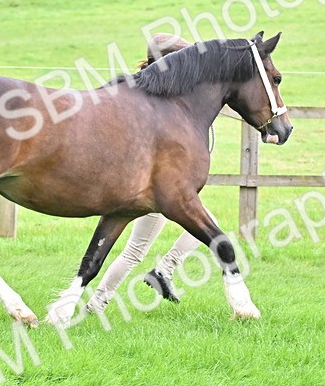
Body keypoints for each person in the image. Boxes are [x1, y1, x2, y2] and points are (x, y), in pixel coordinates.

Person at [86, 33, 224, 314]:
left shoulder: (158, 92)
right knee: (207, 227)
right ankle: (164, 269)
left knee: (135, 251)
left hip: (153, 184)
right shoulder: (163, 97)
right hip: (155, 188)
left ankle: (97, 303)